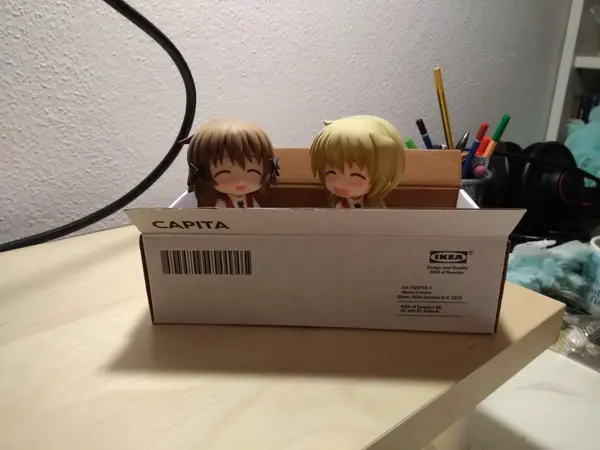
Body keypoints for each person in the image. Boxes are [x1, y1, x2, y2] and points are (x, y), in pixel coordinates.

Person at [309, 115, 405, 208]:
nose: (340, 184)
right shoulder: (340, 204)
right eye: (331, 173)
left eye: (356, 176)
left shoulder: (374, 204)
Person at [185, 118, 277, 207]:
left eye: (253, 171)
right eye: (223, 172)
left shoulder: (254, 201)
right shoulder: (218, 203)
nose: (241, 181)